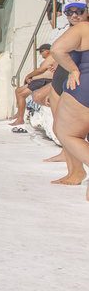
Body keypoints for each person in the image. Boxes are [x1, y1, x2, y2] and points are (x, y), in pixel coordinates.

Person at [49, 15, 89, 200]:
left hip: (82, 87)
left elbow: (57, 49)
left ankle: (78, 172)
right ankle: (76, 173)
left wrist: (73, 69)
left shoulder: (83, 28)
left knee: (67, 134)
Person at [8, 44, 56, 125]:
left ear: (47, 51)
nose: (40, 54)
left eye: (41, 51)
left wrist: (28, 76)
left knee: (21, 94)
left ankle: (20, 119)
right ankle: (19, 113)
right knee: (18, 90)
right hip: (40, 80)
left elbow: (41, 70)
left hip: (44, 81)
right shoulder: (49, 59)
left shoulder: (51, 57)